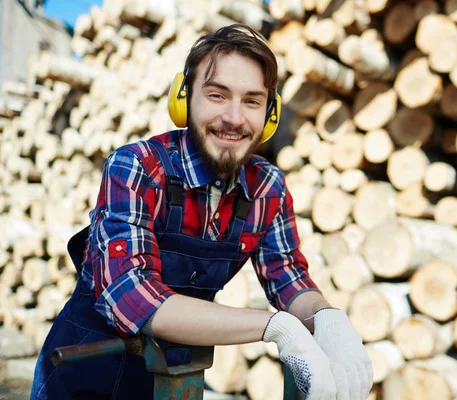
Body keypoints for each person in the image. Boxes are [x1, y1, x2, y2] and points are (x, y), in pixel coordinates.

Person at [30, 24, 373, 400]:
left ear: (270, 115)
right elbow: (134, 297)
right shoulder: (137, 167)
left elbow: (289, 280)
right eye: (217, 95)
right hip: (83, 376)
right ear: (184, 99)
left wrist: (325, 317)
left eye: (252, 101)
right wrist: (277, 327)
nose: (234, 117)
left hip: (173, 380)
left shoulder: (267, 187)